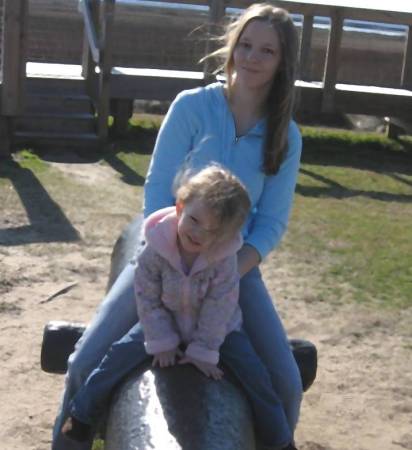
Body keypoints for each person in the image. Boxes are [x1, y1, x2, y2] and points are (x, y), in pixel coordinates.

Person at [52, 3, 303, 450]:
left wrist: (227, 266)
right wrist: (171, 253)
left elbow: (272, 223)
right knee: (82, 362)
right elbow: (157, 191)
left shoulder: (286, 135)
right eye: (245, 44)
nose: (251, 57)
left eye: (267, 50)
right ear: (231, 46)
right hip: (165, 254)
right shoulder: (192, 107)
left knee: (285, 381)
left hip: (232, 267)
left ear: (283, 62)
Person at [60, 166, 295, 449]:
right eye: (194, 220)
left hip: (218, 330)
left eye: (212, 231)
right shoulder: (157, 245)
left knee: (256, 376)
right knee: (114, 358)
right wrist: (160, 339)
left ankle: (279, 439)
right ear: (180, 206)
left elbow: (220, 305)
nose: (198, 234)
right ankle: (82, 415)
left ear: (224, 235)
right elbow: (146, 294)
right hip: (167, 316)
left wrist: (204, 349)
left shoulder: (224, 258)